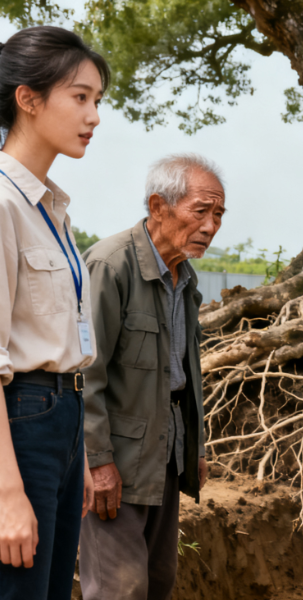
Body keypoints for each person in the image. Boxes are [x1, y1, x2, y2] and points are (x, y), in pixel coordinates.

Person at [79, 154, 225, 600]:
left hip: (166, 456)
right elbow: (84, 373)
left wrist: (193, 448)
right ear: (159, 206)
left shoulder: (186, 278)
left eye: (218, 214)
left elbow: (182, 375)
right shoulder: (110, 265)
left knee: (158, 581)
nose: (211, 225)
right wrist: (98, 460)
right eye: (201, 211)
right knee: (119, 589)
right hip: (115, 462)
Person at [0, 26, 109, 600]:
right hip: (20, 424)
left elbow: (66, 339)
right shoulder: (1, 203)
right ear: (28, 98)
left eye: (98, 100)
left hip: (62, 417)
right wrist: (7, 494)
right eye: (80, 97)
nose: (94, 115)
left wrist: (81, 452)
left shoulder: (53, 207)